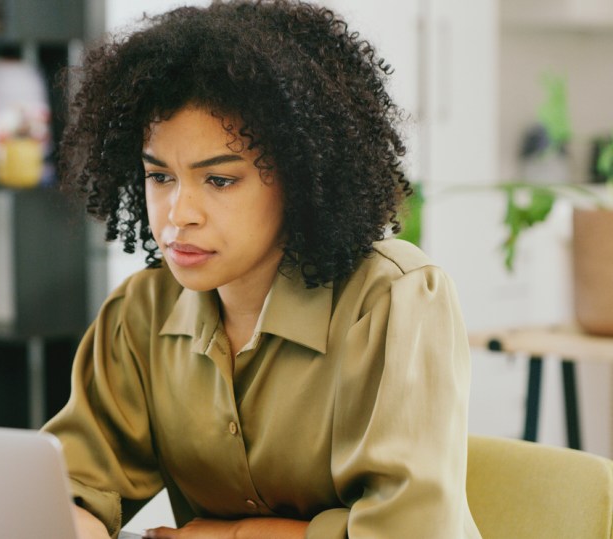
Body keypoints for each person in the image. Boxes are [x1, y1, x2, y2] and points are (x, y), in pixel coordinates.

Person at [42, 1, 481, 538]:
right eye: (160, 177)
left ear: (297, 177)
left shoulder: (394, 300)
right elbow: (69, 491)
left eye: (220, 181)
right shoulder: (141, 313)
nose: (179, 214)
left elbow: (408, 532)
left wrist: (226, 534)